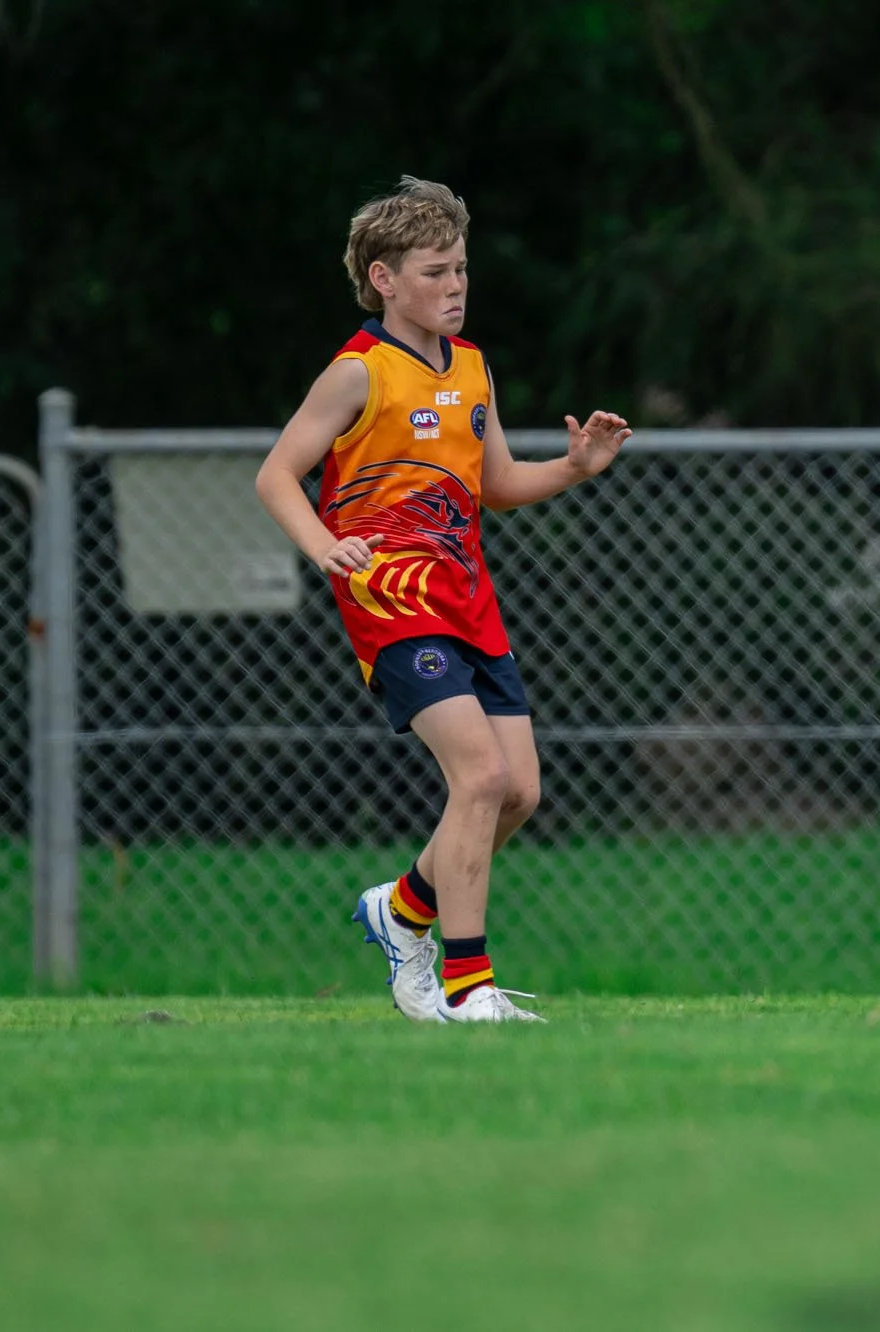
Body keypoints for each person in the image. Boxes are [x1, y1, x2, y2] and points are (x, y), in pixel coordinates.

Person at [256, 176, 629, 1023]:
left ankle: (403, 909)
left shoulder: (471, 367)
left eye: (461, 269)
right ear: (384, 280)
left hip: (469, 602)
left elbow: (496, 485)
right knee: (480, 775)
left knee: (518, 791)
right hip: (392, 602)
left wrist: (574, 469)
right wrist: (324, 548)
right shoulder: (357, 374)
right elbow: (276, 475)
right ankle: (467, 987)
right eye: (435, 272)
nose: (455, 286)